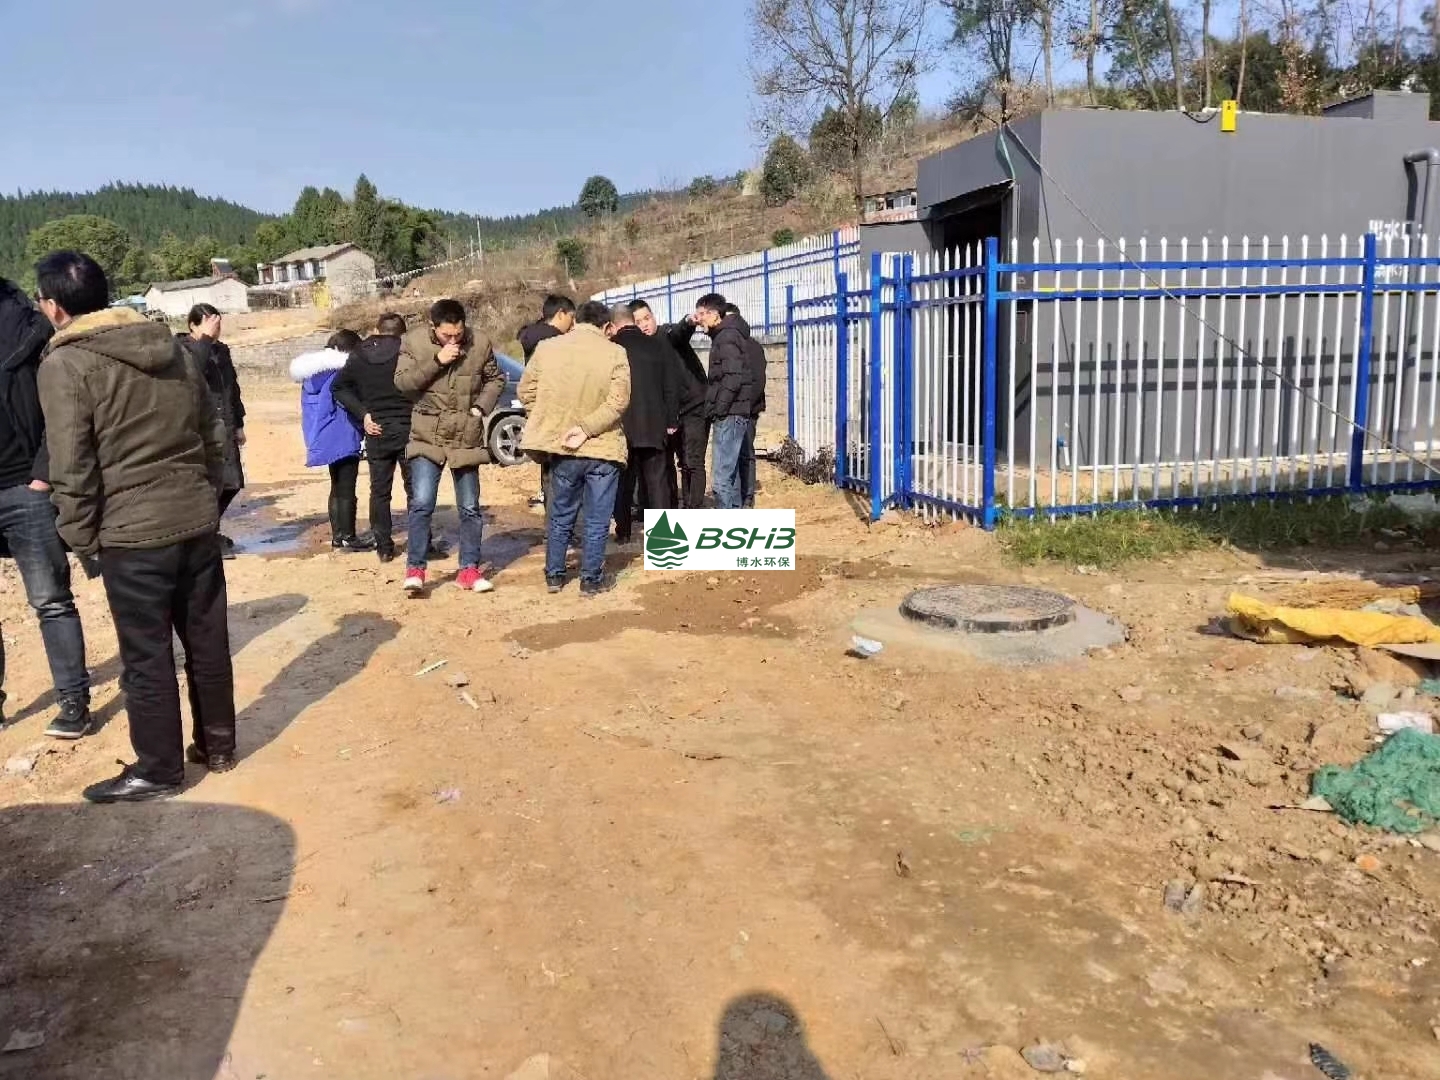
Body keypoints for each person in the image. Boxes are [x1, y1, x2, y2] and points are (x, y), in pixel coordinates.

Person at [34, 251, 235, 803]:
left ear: (54, 308)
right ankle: (218, 747)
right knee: (206, 642)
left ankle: (159, 769)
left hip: (132, 533)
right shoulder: (172, 347)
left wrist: (82, 538)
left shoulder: (66, 364)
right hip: (193, 519)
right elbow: (211, 431)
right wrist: (205, 496)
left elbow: (70, 464)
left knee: (146, 658)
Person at [0, 275, 91, 739]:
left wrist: (42, 474)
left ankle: (74, 700)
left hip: (23, 485)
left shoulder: (27, 323)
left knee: (50, 600)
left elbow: (61, 406)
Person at [517, 301, 629, 596]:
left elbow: (526, 391)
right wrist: (587, 428)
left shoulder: (547, 348)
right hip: (603, 448)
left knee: (560, 514)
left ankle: (554, 575)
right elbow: (618, 402)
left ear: (576, 321)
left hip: (562, 446)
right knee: (597, 519)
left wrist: (550, 421)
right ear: (606, 326)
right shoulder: (616, 353)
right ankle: (590, 580)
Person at [395, 299, 505, 595]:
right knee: (422, 503)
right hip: (427, 435)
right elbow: (403, 384)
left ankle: (469, 569)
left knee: (470, 507)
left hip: (465, 434)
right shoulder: (413, 342)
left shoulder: (480, 341)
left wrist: (480, 408)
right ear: (433, 327)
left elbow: (496, 379)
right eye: (447, 335)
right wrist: (437, 360)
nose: (454, 340)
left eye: (458, 334)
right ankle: (415, 569)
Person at [331, 312, 421, 563]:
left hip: (376, 428)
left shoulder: (359, 353)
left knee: (380, 492)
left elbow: (339, 387)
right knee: (415, 489)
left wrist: (363, 414)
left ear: (378, 330)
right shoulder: (410, 352)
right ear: (403, 332)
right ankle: (421, 543)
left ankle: (384, 547)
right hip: (409, 427)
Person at [290, 330, 374, 552]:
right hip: (343, 432)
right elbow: (346, 400)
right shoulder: (340, 372)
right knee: (347, 486)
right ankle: (348, 537)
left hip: (324, 435)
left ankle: (338, 536)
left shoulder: (313, 374)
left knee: (336, 485)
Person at [176, 304, 245, 556]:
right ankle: (206, 537)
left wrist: (239, 423)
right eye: (209, 323)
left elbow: (232, 387)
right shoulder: (181, 350)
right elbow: (192, 372)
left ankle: (209, 533)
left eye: (217, 323)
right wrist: (205, 339)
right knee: (210, 484)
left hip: (225, 422)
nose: (215, 329)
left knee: (231, 482)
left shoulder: (221, 350)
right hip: (201, 426)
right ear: (193, 325)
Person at [608, 305, 678, 544]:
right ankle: (662, 538)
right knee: (657, 482)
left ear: (614, 325)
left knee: (623, 483)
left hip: (622, 427)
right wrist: (671, 420)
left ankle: (624, 531)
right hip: (654, 425)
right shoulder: (657, 345)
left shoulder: (612, 348)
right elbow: (671, 385)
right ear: (633, 321)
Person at [631, 299, 709, 509]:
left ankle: (693, 508)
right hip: (668, 412)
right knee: (665, 462)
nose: (644, 325)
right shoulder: (639, 348)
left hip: (693, 405)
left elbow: (679, 332)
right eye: (638, 322)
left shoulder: (666, 335)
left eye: (647, 318)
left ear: (654, 317)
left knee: (691, 460)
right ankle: (671, 508)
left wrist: (689, 321)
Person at [693, 293, 755, 510]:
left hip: (729, 415)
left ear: (714, 314)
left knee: (720, 482)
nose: (698, 319)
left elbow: (733, 378)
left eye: (701, 314)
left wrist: (720, 409)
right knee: (731, 477)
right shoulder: (725, 335)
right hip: (732, 413)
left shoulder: (726, 337)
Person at [517, 294, 576, 509]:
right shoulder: (556, 342)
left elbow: (527, 387)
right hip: (559, 415)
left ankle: (553, 523)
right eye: (571, 317)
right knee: (562, 477)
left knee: (549, 473)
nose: (573, 324)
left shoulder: (532, 338)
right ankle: (559, 525)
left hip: (541, 415)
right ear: (560, 314)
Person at [724, 303, 768, 509]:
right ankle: (734, 499)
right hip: (729, 412)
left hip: (747, 412)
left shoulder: (752, 346)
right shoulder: (725, 345)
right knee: (730, 457)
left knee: (745, 454)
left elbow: (757, 382)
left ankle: (747, 497)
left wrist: (743, 408)